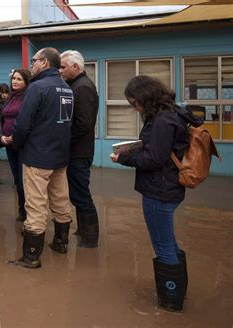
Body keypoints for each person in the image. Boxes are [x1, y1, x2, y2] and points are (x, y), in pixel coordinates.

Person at [110, 75, 200, 312]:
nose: (134, 108)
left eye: (134, 103)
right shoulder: (174, 114)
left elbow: (154, 158)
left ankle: (171, 299)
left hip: (159, 190)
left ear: (145, 98)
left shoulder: (162, 121)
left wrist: (123, 158)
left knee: (163, 245)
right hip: (168, 187)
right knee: (168, 242)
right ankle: (177, 290)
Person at [10, 48, 73, 269]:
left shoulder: (37, 87)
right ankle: (61, 243)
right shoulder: (67, 88)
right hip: (60, 156)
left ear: (44, 63)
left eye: (34, 61)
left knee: (35, 205)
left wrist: (15, 143)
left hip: (37, 156)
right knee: (60, 199)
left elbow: (23, 123)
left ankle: (31, 257)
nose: (32, 64)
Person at [60, 50, 99, 248]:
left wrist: (65, 140)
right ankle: (83, 230)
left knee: (81, 193)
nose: (61, 70)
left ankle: (90, 237)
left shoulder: (82, 88)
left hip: (79, 152)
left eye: (63, 67)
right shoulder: (77, 85)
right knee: (77, 192)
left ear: (76, 67)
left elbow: (83, 123)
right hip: (78, 150)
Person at [0, 69, 31, 222]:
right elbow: (2, 119)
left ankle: (28, 212)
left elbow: (28, 122)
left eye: (19, 79)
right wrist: (1, 137)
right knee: (17, 180)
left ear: (26, 81)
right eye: (14, 78)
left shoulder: (29, 97)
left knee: (24, 181)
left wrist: (14, 137)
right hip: (9, 145)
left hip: (23, 145)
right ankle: (21, 209)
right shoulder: (11, 97)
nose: (15, 81)